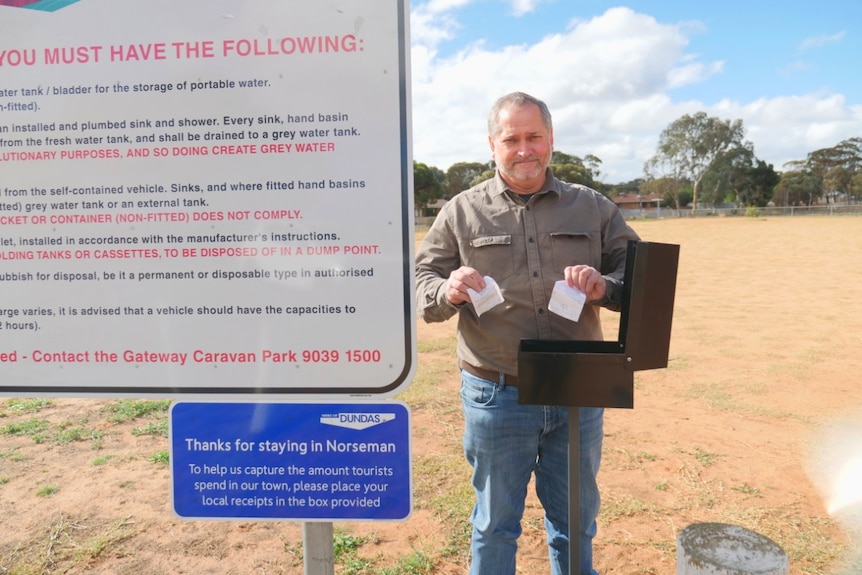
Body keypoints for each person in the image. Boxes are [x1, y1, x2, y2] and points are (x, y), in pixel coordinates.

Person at [414, 91, 640, 575]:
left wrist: (606, 286)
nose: (523, 149)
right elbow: (422, 283)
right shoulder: (460, 212)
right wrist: (447, 290)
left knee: (575, 522)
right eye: (511, 138)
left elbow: (640, 277)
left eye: (533, 136)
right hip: (496, 393)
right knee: (494, 524)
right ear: (492, 145)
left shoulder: (593, 208)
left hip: (578, 391)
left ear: (551, 140)